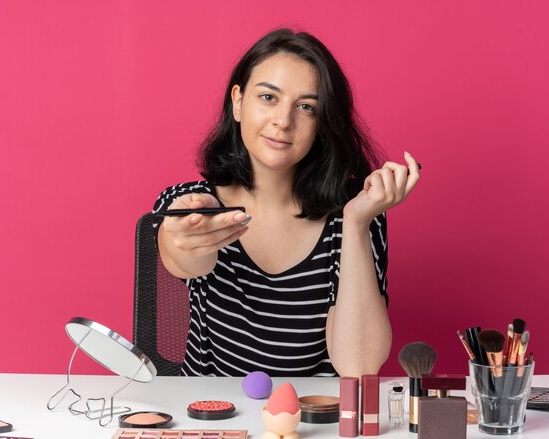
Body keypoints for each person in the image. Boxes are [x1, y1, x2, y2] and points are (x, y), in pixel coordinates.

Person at [152, 28, 420, 377]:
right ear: (238, 102)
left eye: (306, 107)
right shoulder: (191, 204)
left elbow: (358, 366)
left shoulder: (357, 215)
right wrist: (190, 233)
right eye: (268, 98)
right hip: (214, 418)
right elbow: (187, 260)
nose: (283, 121)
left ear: (322, 123)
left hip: (311, 423)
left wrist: (356, 223)